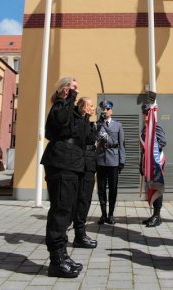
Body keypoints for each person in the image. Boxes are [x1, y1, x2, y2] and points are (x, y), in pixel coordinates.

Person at [41, 76, 87, 278]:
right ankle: (56, 260)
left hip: (72, 163)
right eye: (73, 88)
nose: (75, 92)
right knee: (60, 210)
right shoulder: (60, 106)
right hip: (61, 161)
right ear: (64, 89)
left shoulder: (70, 109)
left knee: (68, 210)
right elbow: (61, 123)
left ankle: (62, 254)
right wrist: (66, 98)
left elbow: (83, 136)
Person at [72, 97, 98, 248]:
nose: (93, 108)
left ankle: (80, 233)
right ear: (84, 107)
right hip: (80, 163)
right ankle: (79, 235)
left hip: (89, 163)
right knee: (79, 199)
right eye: (91, 106)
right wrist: (87, 118)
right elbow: (83, 137)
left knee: (85, 199)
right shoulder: (78, 121)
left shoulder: (88, 123)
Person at [96, 100, 125, 225]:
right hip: (101, 160)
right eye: (103, 109)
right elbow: (95, 138)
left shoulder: (118, 125)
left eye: (107, 109)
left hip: (113, 159)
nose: (105, 111)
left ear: (111, 110)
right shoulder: (98, 124)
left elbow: (122, 144)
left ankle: (111, 214)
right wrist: (99, 124)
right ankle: (103, 214)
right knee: (101, 189)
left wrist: (122, 160)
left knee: (113, 189)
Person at [140, 103, 167, 227]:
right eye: (143, 114)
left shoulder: (156, 127)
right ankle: (154, 215)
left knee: (157, 186)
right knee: (150, 187)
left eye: (147, 114)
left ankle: (157, 215)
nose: (145, 116)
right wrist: (142, 164)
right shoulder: (145, 128)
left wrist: (152, 150)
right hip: (148, 162)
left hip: (156, 162)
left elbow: (162, 142)